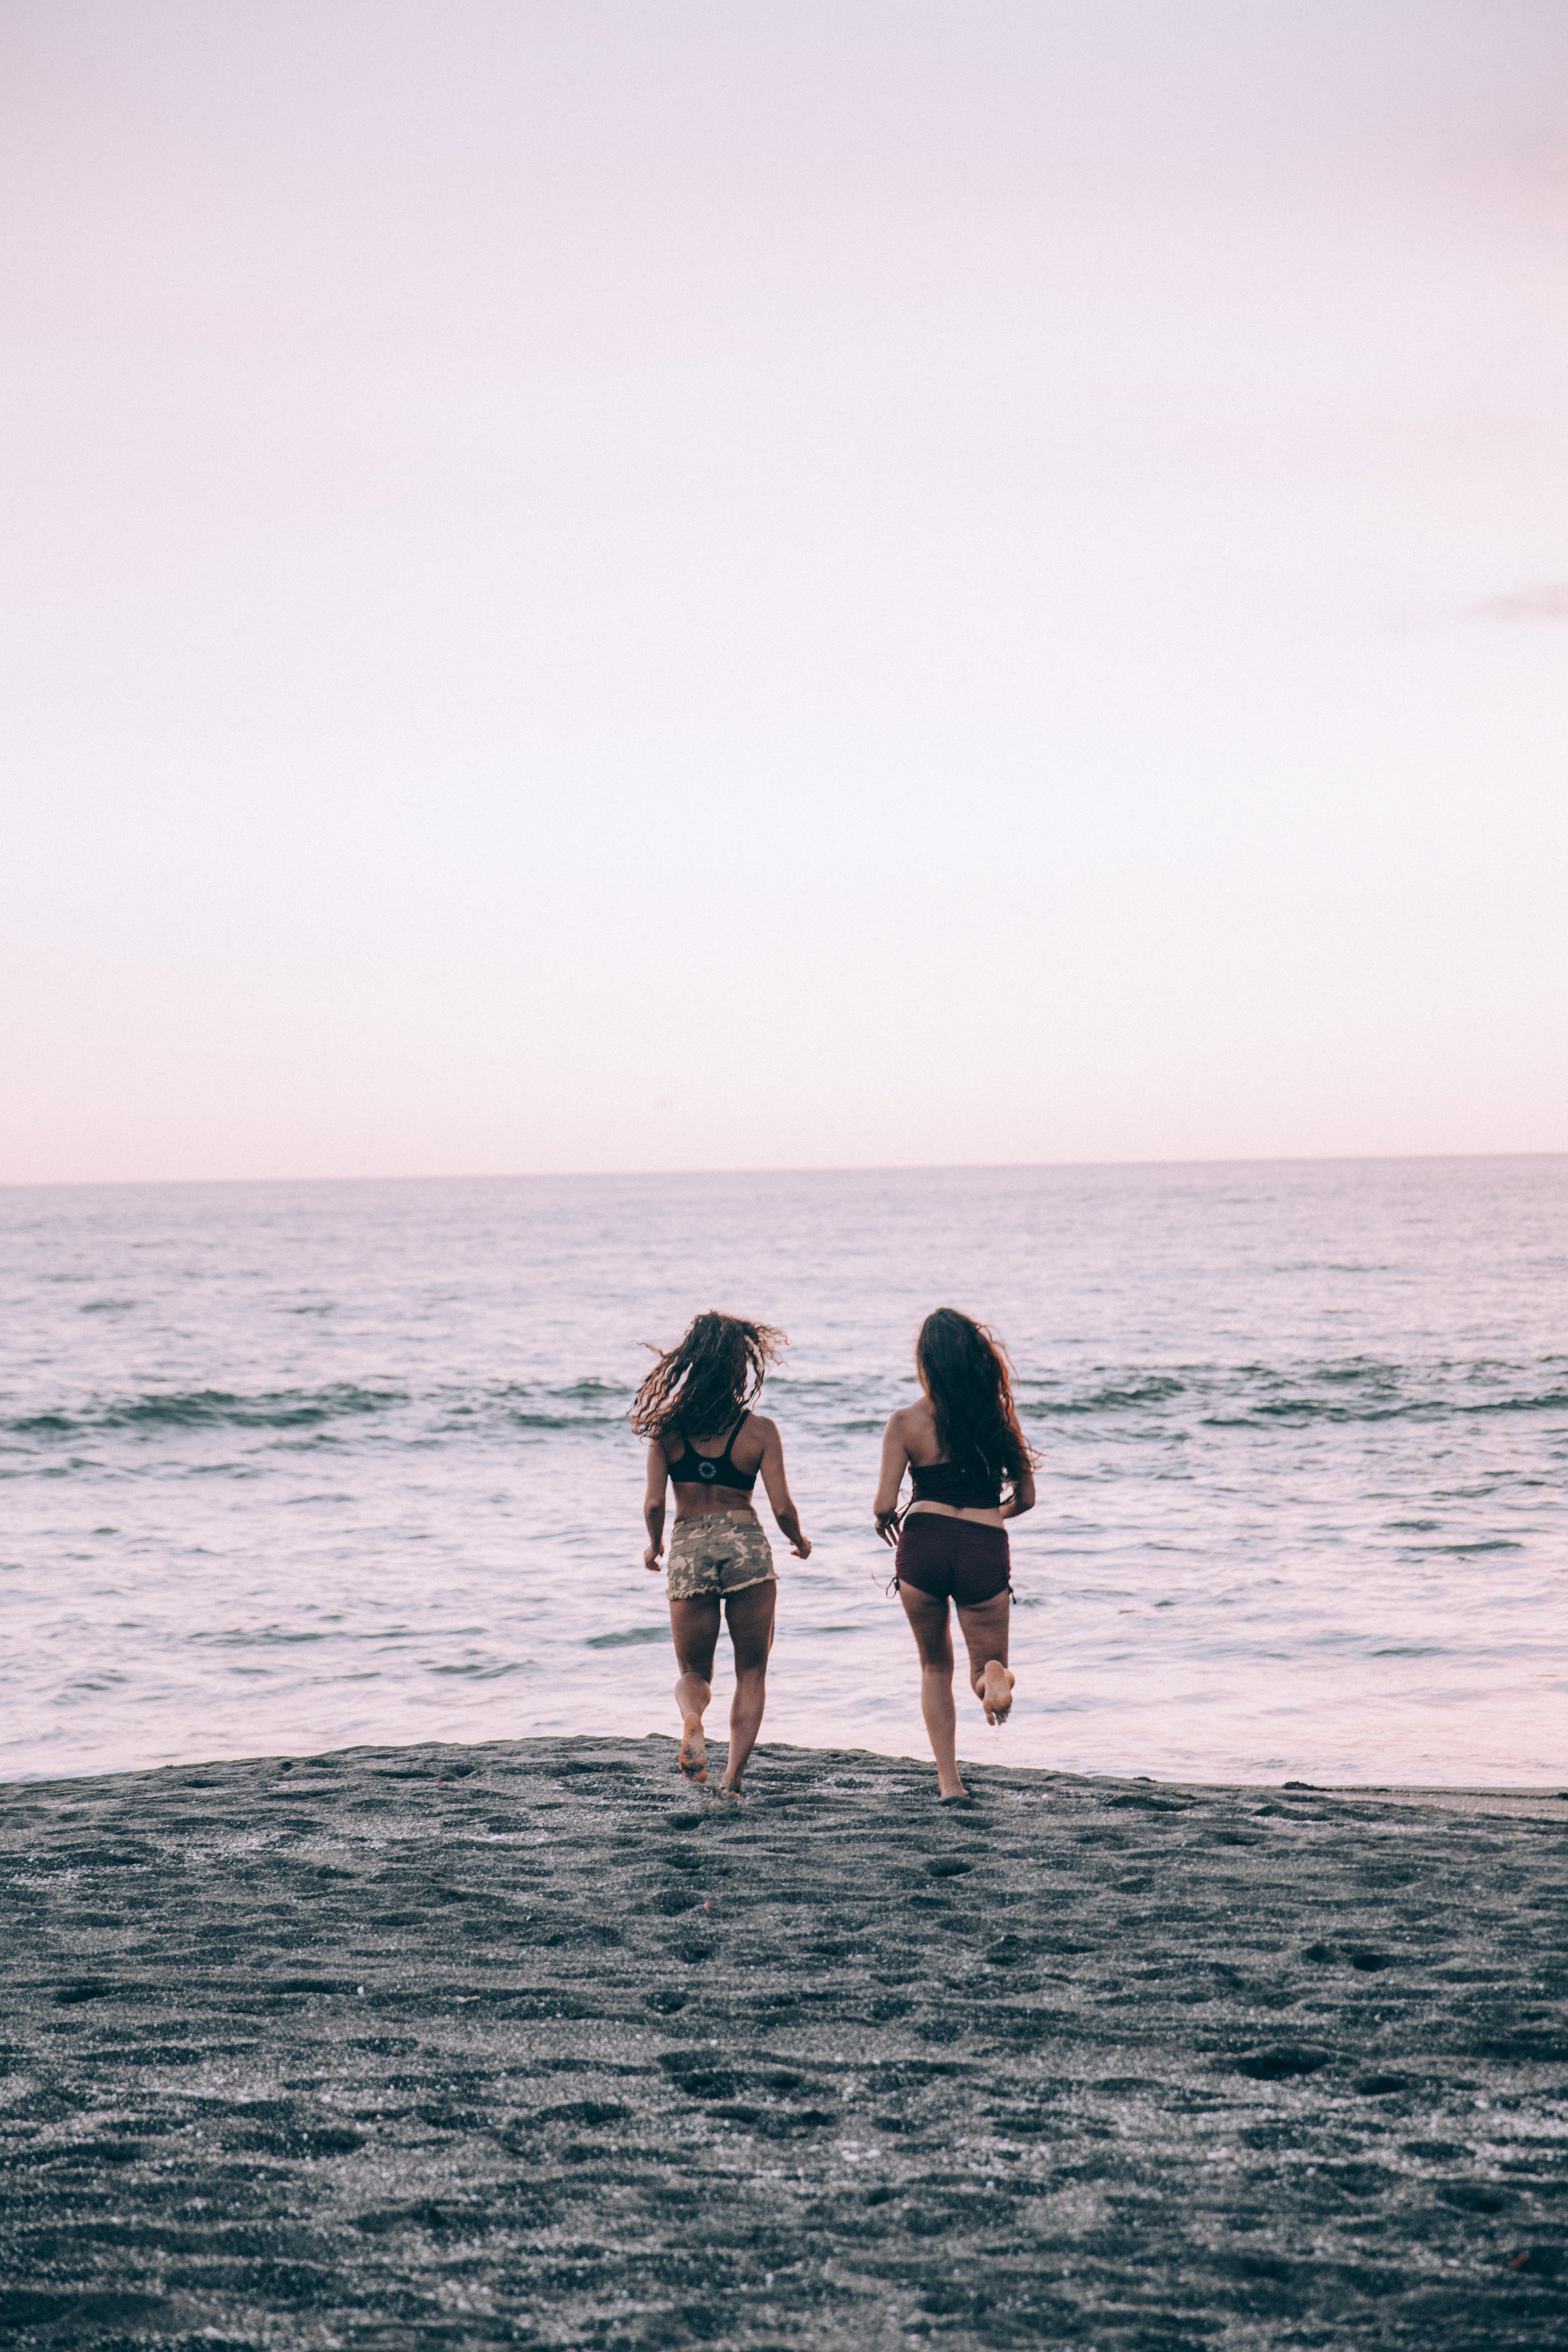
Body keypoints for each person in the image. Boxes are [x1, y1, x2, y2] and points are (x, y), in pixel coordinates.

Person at [631, 1311, 811, 1794]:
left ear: (690, 1365)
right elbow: (782, 1507)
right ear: (740, 1370)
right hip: (745, 1544)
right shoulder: (760, 1432)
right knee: (751, 1670)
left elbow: (653, 1503)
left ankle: (692, 1717)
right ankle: (731, 1780)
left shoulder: (666, 1434)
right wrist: (799, 1541)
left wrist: (654, 1544)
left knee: (693, 1672)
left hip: (689, 1544)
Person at [874, 1307, 1037, 1804]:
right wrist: (989, 1517)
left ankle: (949, 1783)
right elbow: (1026, 1498)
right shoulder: (998, 1419)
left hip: (922, 1542)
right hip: (983, 1546)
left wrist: (887, 1521)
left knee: (933, 1668)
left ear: (926, 1363)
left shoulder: (904, 1421)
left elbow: (883, 1505)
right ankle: (994, 1676)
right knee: (982, 1662)